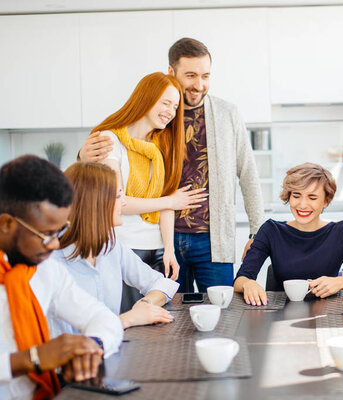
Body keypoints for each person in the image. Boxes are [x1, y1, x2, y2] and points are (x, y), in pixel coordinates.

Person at [79, 38, 264, 293]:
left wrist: (257, 232)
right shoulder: (156, 116)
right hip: (163, 238)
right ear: (171, 72)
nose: (199, 85)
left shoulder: (227, 114)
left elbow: (248, 174)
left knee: (223, 312)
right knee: (171, 317)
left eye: (205, 76)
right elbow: (117, 148)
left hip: (213, 240)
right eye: (190, 75)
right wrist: (83, 155)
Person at [0, 155, 123, 399]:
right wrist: (32, 359)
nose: (55, 244)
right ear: (6, 224)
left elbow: (102, 317)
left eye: (60, 231)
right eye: (46, 234)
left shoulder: (45, 271)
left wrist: (91, 347)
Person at [85, 72, 205, 311]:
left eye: (175, 106)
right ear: (147, 98)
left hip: (158, 250)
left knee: (157, 321)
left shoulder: (160, 147)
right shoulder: (111, 141)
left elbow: (167, 204)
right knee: (128, 322)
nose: (171, 112)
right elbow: (118, 202)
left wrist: (170, 249)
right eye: (165, 103)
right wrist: (169, 201)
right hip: (124, 247)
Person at [44, 162, 179, 336]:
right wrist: (128, 319)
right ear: (94, 204)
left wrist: (145, 304)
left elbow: (163, 284)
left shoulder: (111, 246)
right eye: (118, 196)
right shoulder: (51, 261)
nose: (124, 202)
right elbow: (78, 337)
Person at [234, 163, 343, 305]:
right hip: (280, 314)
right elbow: (240, 279)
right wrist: (249, 283)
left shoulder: (341, 232)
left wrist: (342, 282)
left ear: (326, 201)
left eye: (312, 197)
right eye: (296, 195)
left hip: (327, 314)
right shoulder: (271, 230)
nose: (302, 204)